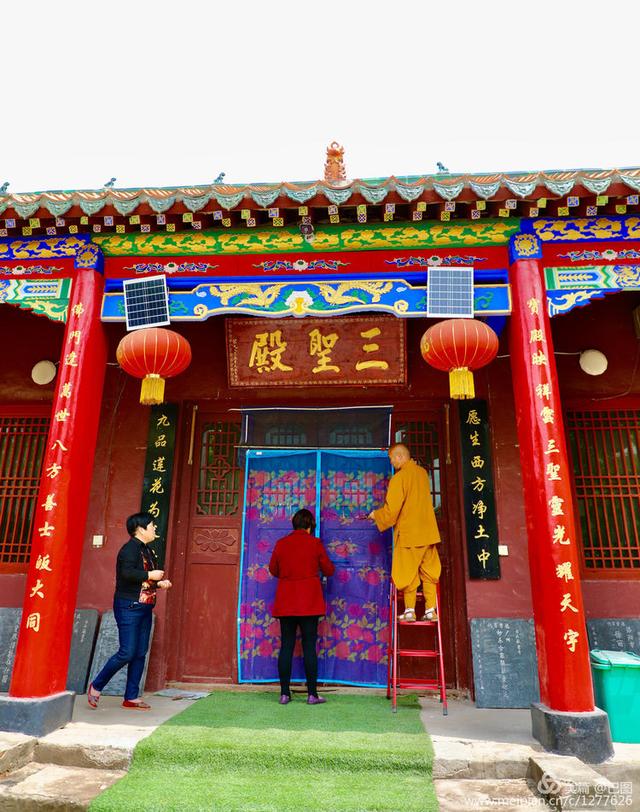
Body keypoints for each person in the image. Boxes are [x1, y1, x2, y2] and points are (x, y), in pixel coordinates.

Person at [87, 511, 172, 710]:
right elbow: (126, 574)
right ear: (141, 529)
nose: (154, 529)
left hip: (145, 606)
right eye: (152, 526)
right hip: (128, 606)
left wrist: (159, 583)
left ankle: (131, 697)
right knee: (127, 652)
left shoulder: (148, 551)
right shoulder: (129, 549)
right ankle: (96, 685)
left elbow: (144, 581)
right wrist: (150, 573)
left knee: (140, 652)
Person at [269, 508, 335, 705]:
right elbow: (329, 570)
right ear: (309, 526)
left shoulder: (281, 544)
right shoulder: (315, 543)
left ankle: (284, 694)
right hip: (309, 604)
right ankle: (312, 694)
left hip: (286, 602)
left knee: (286, 646)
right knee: (309, 647)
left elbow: (273, 569)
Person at [368, 443, 441, 622]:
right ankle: (430, 610)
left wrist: (376, 515)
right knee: (429, 572)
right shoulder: (422, 474)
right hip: (429, 533)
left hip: (410, 533)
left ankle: (410, 611)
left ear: (400, 457)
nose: (392, 462)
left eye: (392, 458)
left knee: (407, 572)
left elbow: (392, 511)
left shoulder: (399, 478)